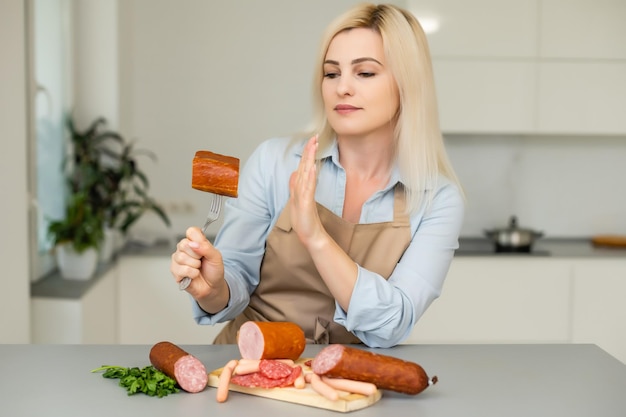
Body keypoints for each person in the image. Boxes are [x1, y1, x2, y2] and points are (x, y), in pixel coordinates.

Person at [170, 3, 464, 348]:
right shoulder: (273, 162)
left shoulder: (437, 198)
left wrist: (315, 236)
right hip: (246, 367)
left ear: (407, 85)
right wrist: (213, 288)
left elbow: (393, 323)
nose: (343, 88)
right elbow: (232, 284)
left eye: (365, 73)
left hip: (347, 380)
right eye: (331, 73)